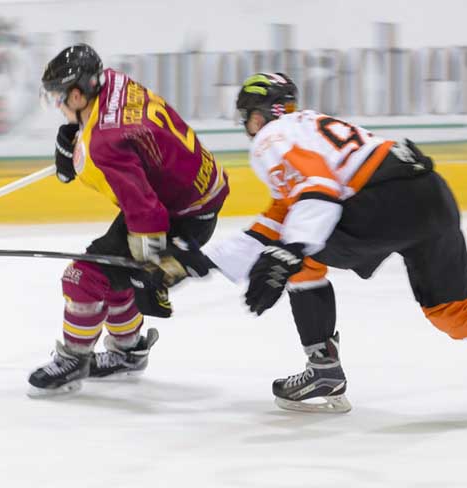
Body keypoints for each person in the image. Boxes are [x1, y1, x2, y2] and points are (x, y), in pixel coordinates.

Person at [155, 72, 467, 413]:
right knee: (451, 314)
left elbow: (316, 190)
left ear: (256, 116)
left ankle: (323, 367)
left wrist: (291, 251)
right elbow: (275, 221)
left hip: (384, 204)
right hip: (430, 194)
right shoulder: (309, 125)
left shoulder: (271, 137)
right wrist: (203, 261)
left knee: (295, 251)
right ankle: (323, 366)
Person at [28, 44, 230, 396]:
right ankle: (128, 352)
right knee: (113, 271)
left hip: (177, 214)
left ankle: (74, 360)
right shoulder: (112, 82)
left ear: (78, 94)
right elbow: (132, 139)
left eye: (60, 98)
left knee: (83, 277)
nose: (58, 106)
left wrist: (152, 260)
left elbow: (146, 212)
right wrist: (75, 139)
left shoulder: (106, 140)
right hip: (192, 196)